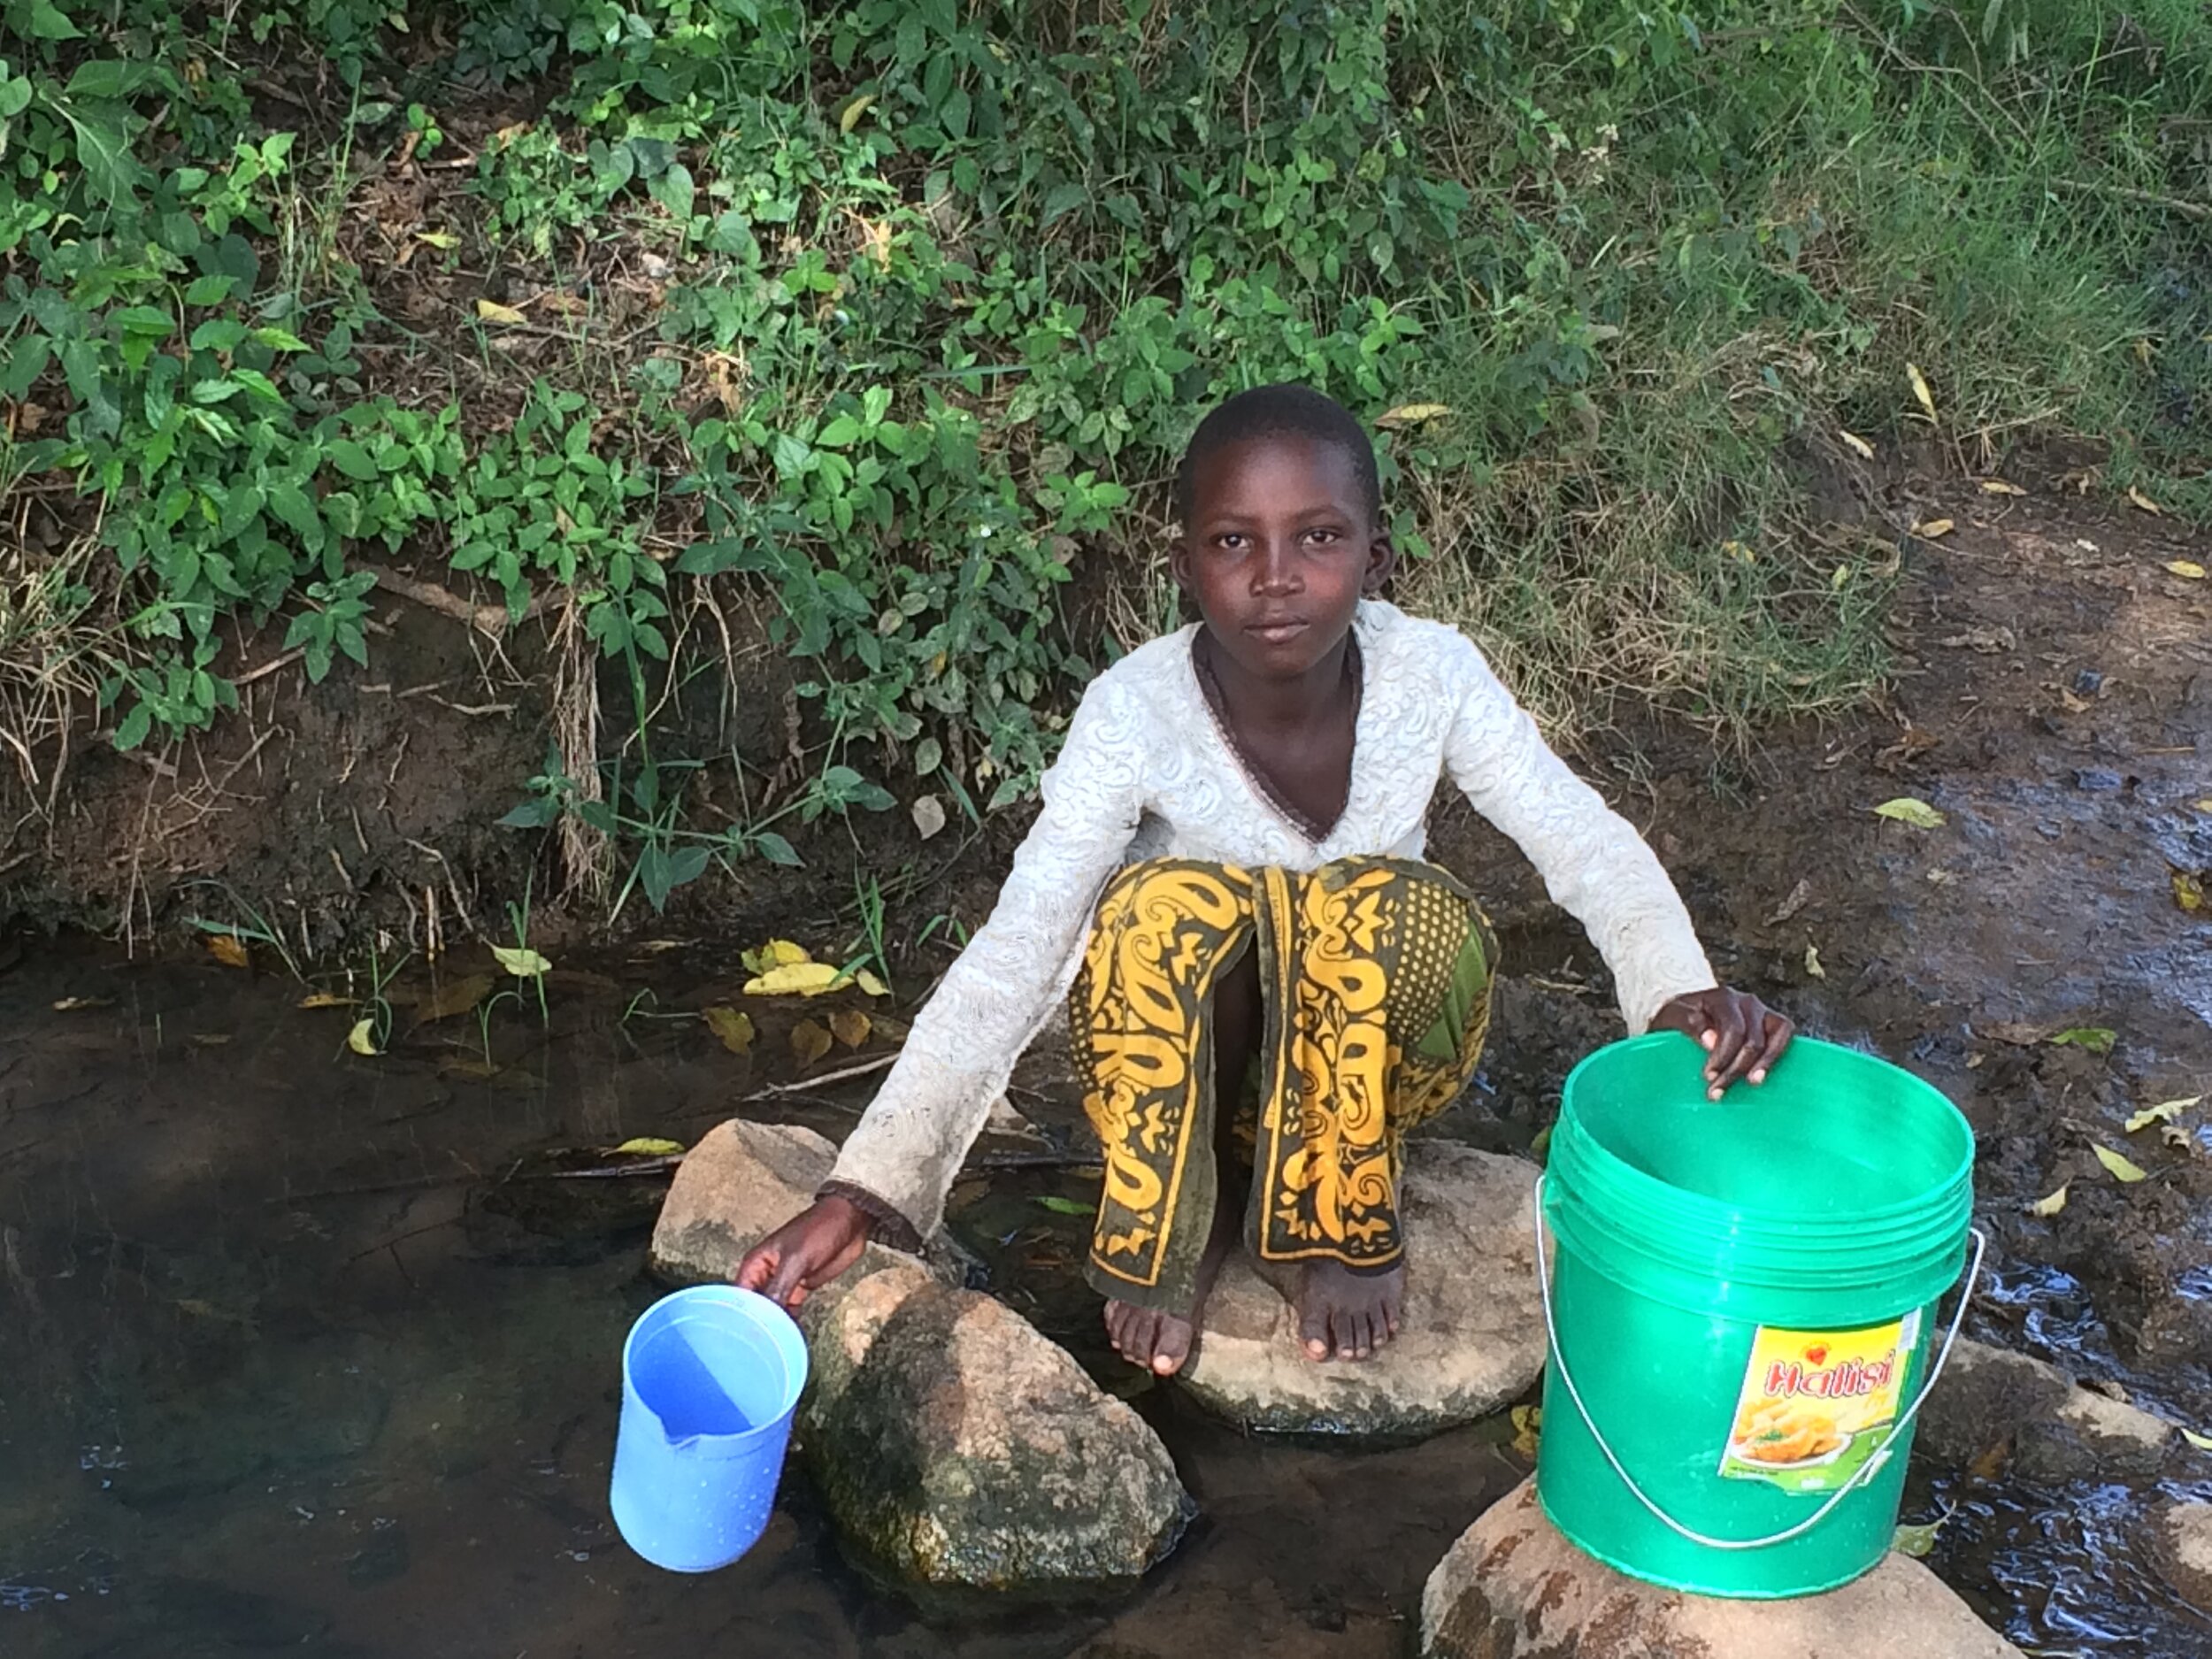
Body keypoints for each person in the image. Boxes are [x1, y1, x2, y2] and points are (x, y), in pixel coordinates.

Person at [737, 384, 1793, 1377]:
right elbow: (1023, 941)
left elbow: (1580, 838)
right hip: (1182, 1080)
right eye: (1234, 541)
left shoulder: (1431, 673)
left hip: (1371, 1074)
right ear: (1185, 566)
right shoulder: (1132, 710)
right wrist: (866, 1190)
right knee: (1164, 902)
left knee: (1380, 899)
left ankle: (1328, 1222)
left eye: (1318, 538)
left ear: (1375, 555)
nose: (1276, 575)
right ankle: (1189, 1216)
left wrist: (1672, 989)